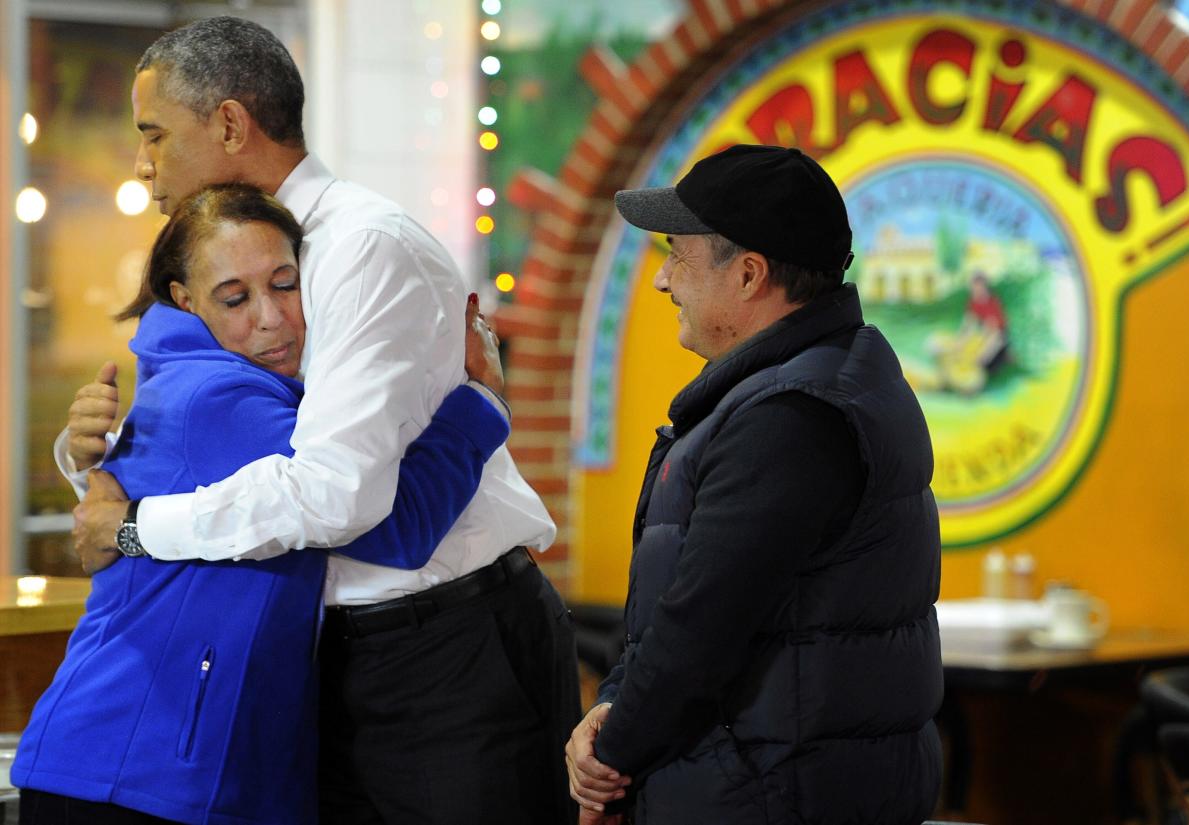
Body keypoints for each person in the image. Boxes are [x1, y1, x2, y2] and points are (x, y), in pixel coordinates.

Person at [60, 17, 579, 825]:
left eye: (155, 134)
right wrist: (88, 449)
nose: (143, 164)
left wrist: (132, 525)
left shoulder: (362, 246)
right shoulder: (234, 257)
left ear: (230, 123)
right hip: (321, 649)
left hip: (445, 647)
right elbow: (197, 433)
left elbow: (342, 500)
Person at [13, 184, 511, 825]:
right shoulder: (222, 398)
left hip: (145, 763)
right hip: (135, 771)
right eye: (235, 297)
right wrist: (482, 403)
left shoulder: (200, 381)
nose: (271, 317)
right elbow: (398, 530)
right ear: (184, 301)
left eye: (285, 284)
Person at [564, 145, 943, 825]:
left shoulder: (790, 417)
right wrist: (614, 706)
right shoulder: (825, 380)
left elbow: (698, 629)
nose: (663, 282)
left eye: (677, 255)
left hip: (772, 794)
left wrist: (609, 759)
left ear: (747, 274)